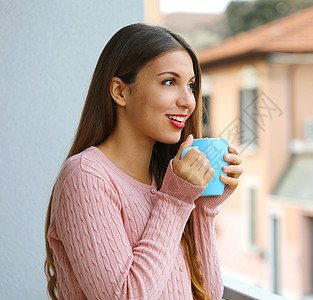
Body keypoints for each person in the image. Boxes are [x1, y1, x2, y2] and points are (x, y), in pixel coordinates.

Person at [44, 23, 243, 300]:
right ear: (120, 92)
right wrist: (176, 200)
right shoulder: (85, 177)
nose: (188, 101)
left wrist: (202, 206)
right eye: (169, 82)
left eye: (191, 85)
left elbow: (206, 293)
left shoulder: (167, 180)